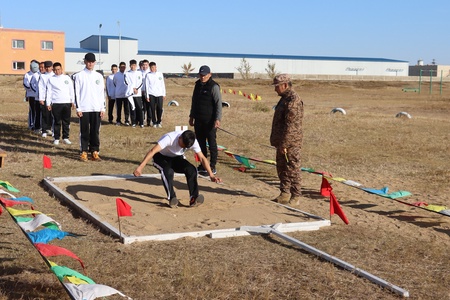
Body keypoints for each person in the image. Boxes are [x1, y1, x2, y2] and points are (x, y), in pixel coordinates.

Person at [133, 130, 222, 208]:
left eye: (184, 147)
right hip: (160, 157)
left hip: (176, 158)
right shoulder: (169, 138)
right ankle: (172, 198)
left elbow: (202, 158)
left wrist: (211, 175)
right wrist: (140, 167)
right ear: (180, 137)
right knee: (168, 171)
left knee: (191, 169)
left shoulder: (192, 141)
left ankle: (194, 198)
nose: (182, 148)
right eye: (181, 145)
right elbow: (152, 151)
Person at [270, 74, 304, 206]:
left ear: (284, 85)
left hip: (291, 143)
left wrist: (285, 144)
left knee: (292, 168)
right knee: (282, 167)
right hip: (282, 142)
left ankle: (295, 196)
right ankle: (284, 193)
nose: (275, 90)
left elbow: (291, 126)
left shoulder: (293, 100)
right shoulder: (284, 98)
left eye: (276, 86)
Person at [189, 65, 222, 175]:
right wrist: (191, 116)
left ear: (209, 75)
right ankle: (203, 165)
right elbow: (194, 101)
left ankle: (212, 166)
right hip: (199, 119)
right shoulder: (197, 85)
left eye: (204, 75)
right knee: (200, 143)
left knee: (212, 144)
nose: (202, 77)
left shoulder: (214, 86)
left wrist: (217, 119)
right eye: (200, 75)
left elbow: (218, 104)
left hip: (210, 121)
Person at [73, 52, 106, 161]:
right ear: (85, 62)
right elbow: (76, 93)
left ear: (95, 62)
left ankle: (95, 151)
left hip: (96, 107)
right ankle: (83, 151)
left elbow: (102, 93)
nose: (90, 64)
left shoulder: (99, 76)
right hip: (84, 107)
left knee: (95, 131)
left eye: (92, 62)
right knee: (84, 131)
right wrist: (78, 108)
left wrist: (103, 108)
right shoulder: (79, 76)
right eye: (88, 62)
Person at [45, 62, 75, 145]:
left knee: (66, 121)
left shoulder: (67, 78)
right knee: (57, 121)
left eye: (58, 69)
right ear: (53, 70)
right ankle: (56, 138)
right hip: (56, 103)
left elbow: (71, 90)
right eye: (55, 70)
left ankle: (66, 137)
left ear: (61, 69)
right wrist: (48, 103)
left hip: (66, 102)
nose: (57, 71)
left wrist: (73, 101)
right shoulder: (51, 79)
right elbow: (49, 92)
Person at [144, 61, 166, 128]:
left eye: (154, 67)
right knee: (152, 108)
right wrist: (147, 95)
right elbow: (147, 86)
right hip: (151, 93)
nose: (153, 68)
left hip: (159, 93)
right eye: (151, 67)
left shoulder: (160, 74)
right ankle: (154, 122)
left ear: (156, 67)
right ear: (150, 68)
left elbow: (162, 84)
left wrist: (164, 93)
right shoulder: (148, 75)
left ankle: (159, 121)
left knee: (159, 108)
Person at [125, 59, 144, 127]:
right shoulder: (127, 73)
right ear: (130, 66)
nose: (133, 67)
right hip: (130, 94)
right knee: (132, 108)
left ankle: (141, 122)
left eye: (134, 65)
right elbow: (126, 82)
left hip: (137, 94)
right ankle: (133, 122)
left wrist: (137, 89)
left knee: (139, 108)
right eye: (131, 65)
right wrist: (132, 88)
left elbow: (141, 82)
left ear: (136, 65)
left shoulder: (139, 73)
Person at [38, 60, 55, 138]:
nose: (48, 69)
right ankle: (44, 130)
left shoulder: (55, 75)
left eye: (49, 67)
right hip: (45, 97)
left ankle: (51, 129)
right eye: (46, 67)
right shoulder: (42, 76)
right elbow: (40, 88)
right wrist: (41, 98)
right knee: (45, 114)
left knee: (54, 115)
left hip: (54, 98)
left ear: (52, 67)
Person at [23, 60, 39, 130]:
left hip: (38, 96)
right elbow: (26, 85)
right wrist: (32, 89)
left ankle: (38, 125)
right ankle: (31, 124)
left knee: (38, 111)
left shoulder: (39, 74)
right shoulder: (27, 74)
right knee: (32, 110)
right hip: (31, 95)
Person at [30, 61, 45, 134]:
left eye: (43, 67)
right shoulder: (35, 75)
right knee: (37, 113)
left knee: (46, 114)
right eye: (40, 67)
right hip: (37, 98)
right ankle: (37, 127)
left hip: (46, 98)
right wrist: (37, 92)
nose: (42, 69)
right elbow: (32, 85)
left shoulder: (48, 76)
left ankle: (45, 128)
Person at [139, 59, 152, 126]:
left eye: (146, 65)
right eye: (143, 65)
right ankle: (142, 120)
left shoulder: (150, 73)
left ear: (148, 65)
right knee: (142, 108)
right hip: (141, 93)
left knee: (149, 107)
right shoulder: (139, 73)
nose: (145, 66)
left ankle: (149, 121)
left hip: (149, 93)